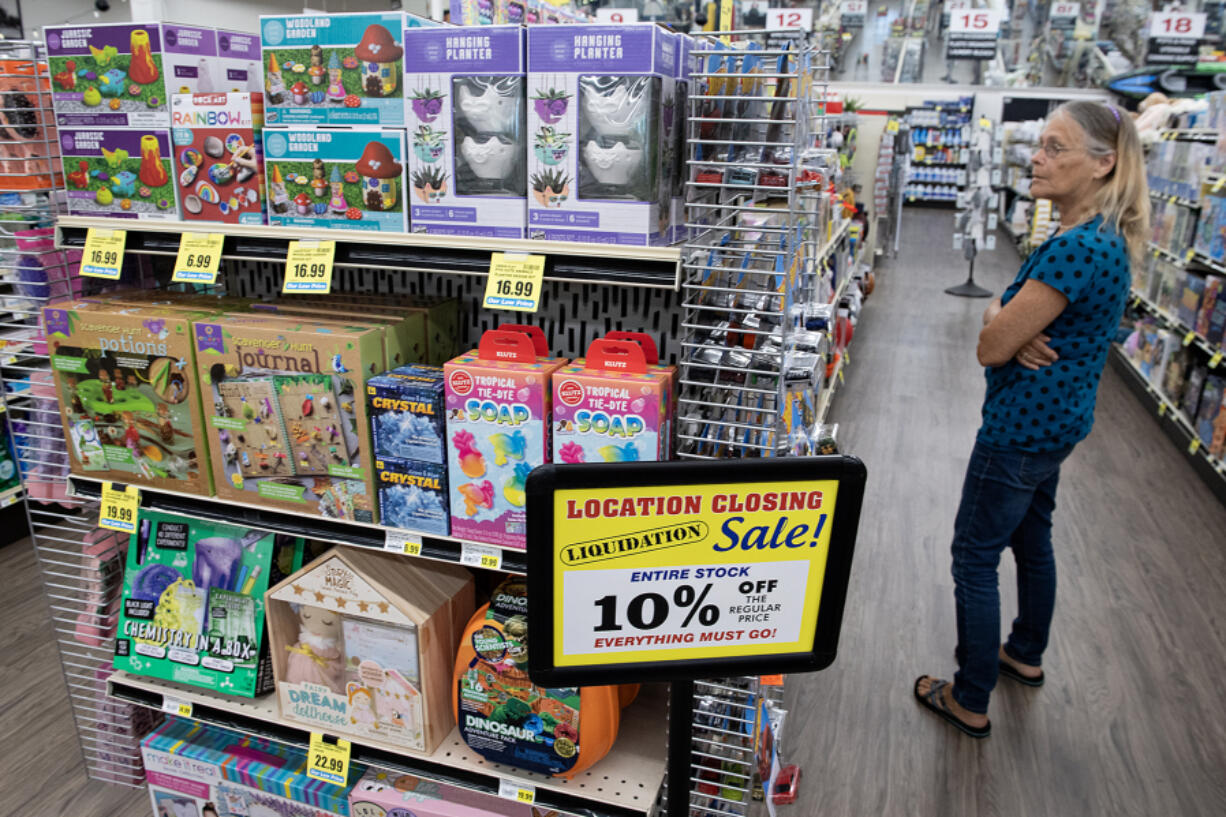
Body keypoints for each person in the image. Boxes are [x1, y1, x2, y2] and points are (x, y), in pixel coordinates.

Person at [914, 101, 1150, 738]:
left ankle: (969, 696)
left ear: (1103, 164)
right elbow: (1001, 306)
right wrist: (1007, 321)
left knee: (973, 556)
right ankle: (1025, 651)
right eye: (1039, 145)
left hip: (1018, 428)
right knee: (1032, 539)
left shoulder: (1075, 249)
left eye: (1055, 148)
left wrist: (1003, 328)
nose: (1036, 158)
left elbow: (990, 340)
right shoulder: (1100, 239)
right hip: (1061, 422)